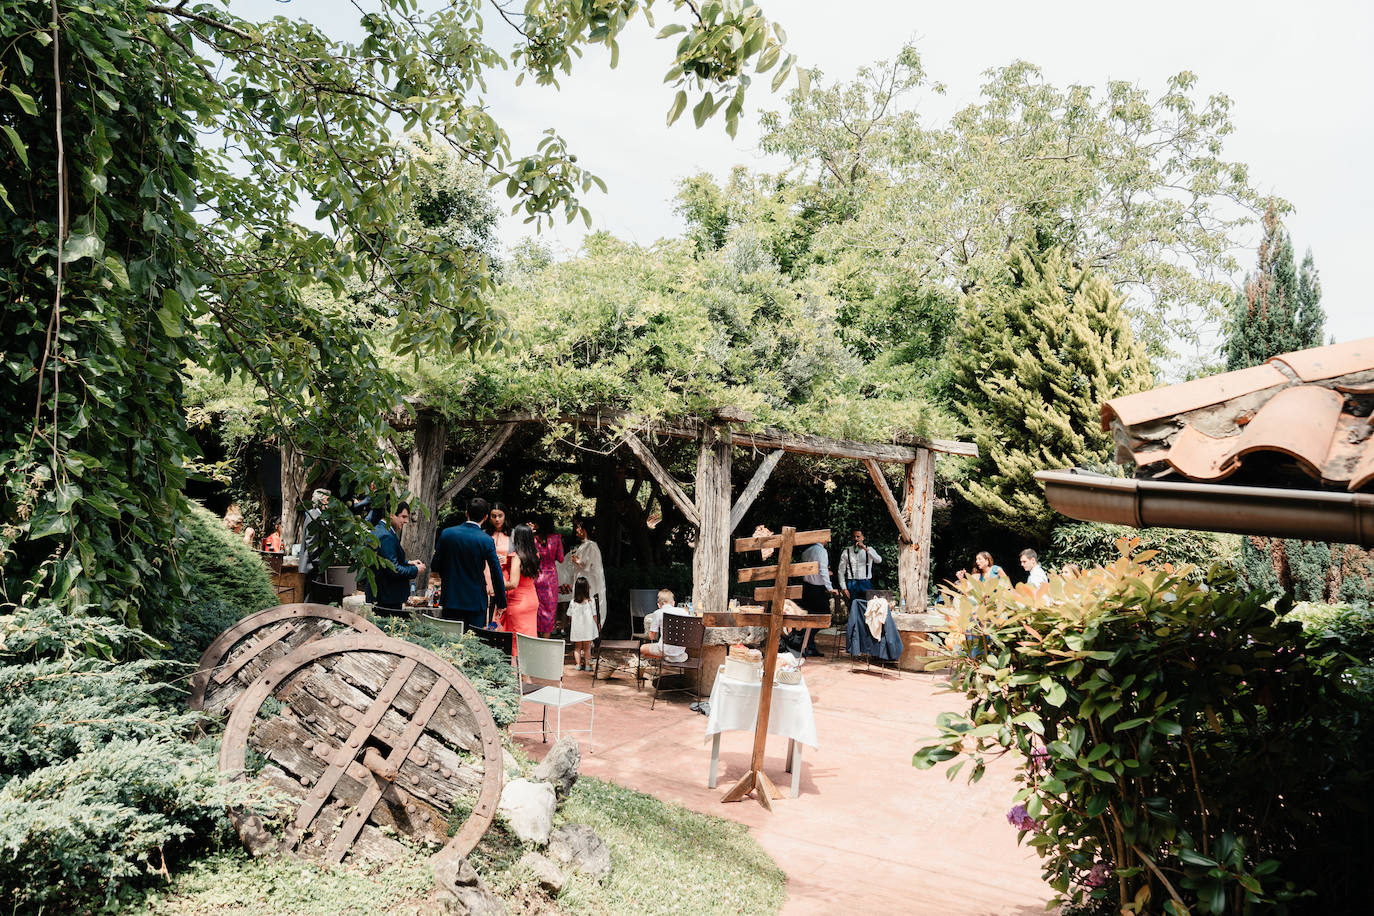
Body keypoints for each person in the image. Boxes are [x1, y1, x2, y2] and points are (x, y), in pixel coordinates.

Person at [431, 497, 506, 631]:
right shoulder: (486, 540)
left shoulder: (447, 534)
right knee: (473, 640)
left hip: (451, 598)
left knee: (449, 639)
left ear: (466, 513)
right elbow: (496, 572)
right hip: (475, 601)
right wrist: (501, 602)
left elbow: (435, 565)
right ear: (486, 517)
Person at [365, 502, 425, 615]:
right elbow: (393, 569)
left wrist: (408, 563)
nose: (406, 521)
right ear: (391, 515)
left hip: (384, 595)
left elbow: (385, 561)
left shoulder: (380, 530)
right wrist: (415, 570)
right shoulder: (386, 535)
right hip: (387, 598)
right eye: (403, 517)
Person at [497, 524, 540, 645]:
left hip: (518, 602)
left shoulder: (517, 557)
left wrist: (498, 585)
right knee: (529, 638)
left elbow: (513, 584)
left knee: (516, 641)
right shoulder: (536, 554)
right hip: (532, 600)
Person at [795, 538, 835, 657]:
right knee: (824, 616)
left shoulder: (806, 551)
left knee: (809, 616)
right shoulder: (821, 551)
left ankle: (806, 645)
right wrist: (830, 588)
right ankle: (808, 644)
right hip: (817, 589)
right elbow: (822, 569)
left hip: (806, 588)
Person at [565, 516, 605, 633]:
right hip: (581, 581)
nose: (576, 530)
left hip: (588, 583)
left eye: (578, 527)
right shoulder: (584, 545)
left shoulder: (591, 546)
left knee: (588, 607)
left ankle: (591, 633)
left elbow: (590, 565)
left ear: (584, 530)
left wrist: (577, 561)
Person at [531, 513, 565, 637]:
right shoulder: (556, 538)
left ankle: (534, 638)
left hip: (536, 576)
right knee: (549, 610)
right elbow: (561, 558)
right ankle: (546, 640)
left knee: (536, 608)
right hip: (551, 578)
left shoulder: (534, 539)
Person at [639, 589, 689, 664]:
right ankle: (670, 658)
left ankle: (665, 658)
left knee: (642, 648)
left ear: (659, 605)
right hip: (680, 652)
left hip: (664, 650)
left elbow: (651, 637)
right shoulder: (684, 611)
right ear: (673, 603)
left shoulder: (658, 613)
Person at [484, 502, 513, 619]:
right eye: (494, 516)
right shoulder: (484, 534)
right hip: (486, 575)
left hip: (505, 576)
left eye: (500, 516)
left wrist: (507, 559)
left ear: (505, 516)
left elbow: (519, 558)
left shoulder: (513, 535)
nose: (497, 519)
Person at [837, 529, 882, 600]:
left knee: (867, 605)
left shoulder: (869, 549)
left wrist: (865, 549)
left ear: (862, 538)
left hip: (865, 582)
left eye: (858, 536)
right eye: (854, 537)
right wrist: (844, 588)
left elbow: (879, 560)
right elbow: (841, 571)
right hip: (852, 583)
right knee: (853, 605)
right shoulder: (846, 552)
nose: (856, 539)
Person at [566, 578, 599, 670]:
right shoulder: (591, 601)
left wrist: (573, 625)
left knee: (577, 647)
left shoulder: (573, 602)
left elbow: (570, 616)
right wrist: (596, 625)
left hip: (577, 628)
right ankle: (588, 665)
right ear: (587, 588)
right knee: (587, 647)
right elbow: (594, 615)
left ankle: (578, 665)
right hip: (588, 628)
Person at [299, 488, 331, 579]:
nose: (330, 503)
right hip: (312, 568)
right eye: (328, 500)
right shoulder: (315, 516)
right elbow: (311, 543)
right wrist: (320, 563)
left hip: (313, 567)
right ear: (321, 502)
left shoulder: (317, 515)